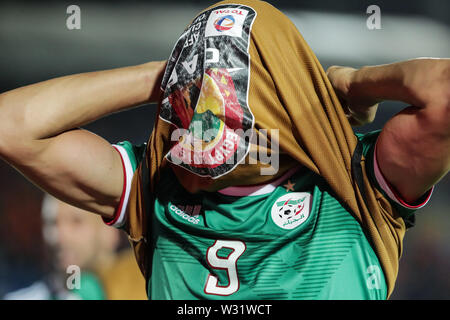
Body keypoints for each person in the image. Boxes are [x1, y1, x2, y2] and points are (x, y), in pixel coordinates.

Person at [0, 0, 448, 299]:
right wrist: (158, 77)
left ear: (283, 92)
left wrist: (349, 84)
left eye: (233, 78)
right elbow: (11, 126)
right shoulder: (155, 188)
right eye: (198, 81)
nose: (211, 102)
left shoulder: (356, 184)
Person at [4, 194, 147, 300]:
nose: (58, 237)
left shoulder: (150, 287)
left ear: (110, 231)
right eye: (52, 223)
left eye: (76, 222)